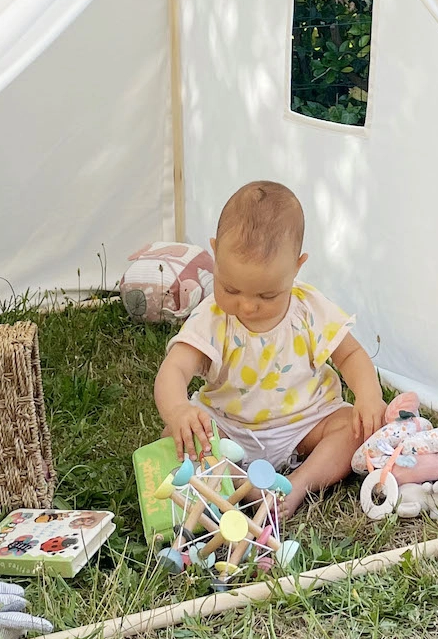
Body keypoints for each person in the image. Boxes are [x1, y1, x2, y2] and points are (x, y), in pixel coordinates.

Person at [152, 180, 385, 517]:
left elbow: (349, 354)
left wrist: (368, 396)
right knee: (178, 439)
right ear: (215, 252)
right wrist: (177, 411)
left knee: (353, 426)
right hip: (229, 427)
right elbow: (175, 368)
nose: (246, 306)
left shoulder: (309, 309)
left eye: (266, 295)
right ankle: (246, 486)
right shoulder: (213, 318)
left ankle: (299, 483)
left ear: (297, 267)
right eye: (230, 288)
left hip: (304, 424)